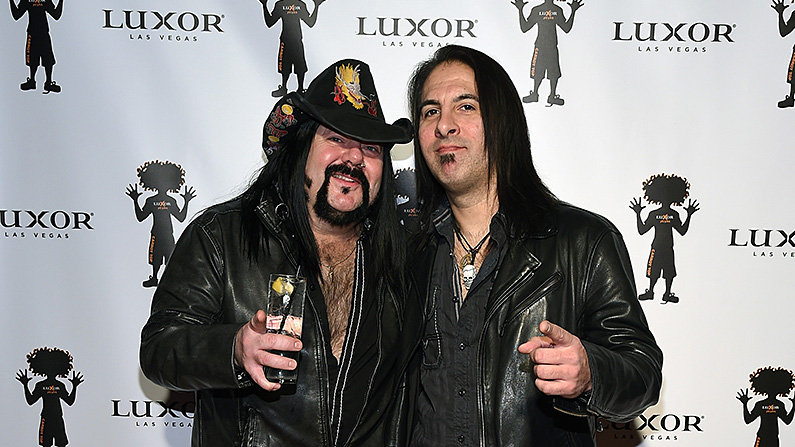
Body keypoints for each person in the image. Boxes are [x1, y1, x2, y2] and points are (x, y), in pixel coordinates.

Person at [140, 59, 422, 446]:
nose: (354, 158)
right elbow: (159, 350)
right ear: (300, 150)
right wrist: (235, 349)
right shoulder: (221, 237)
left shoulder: (405, 258)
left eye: (370, 147)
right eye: (337, 139)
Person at [405, 44, 663, 446]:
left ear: (501, 120)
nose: (445, 125)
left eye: (466, 106)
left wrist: (590, 371)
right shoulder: (407, 250)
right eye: (430, 111)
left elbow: (642, 373)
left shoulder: (583, 241)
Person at [258, 0, 325, 97]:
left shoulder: (299, 4)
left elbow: (310, 23)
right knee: (285, 65)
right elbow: (270, 23)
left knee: (300, 65)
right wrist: (264, 5)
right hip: (286, 40)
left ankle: (300, 89)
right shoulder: (281, 4)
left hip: (296, 40)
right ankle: (284, 88)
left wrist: (316, 6)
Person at [9, 0, 64, 93]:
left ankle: (47, 82)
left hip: (41, 32)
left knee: (47, 58)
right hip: (34, 33)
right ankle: (34, 81)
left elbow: (56, 15)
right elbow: (16, 15)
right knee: (34, 58)